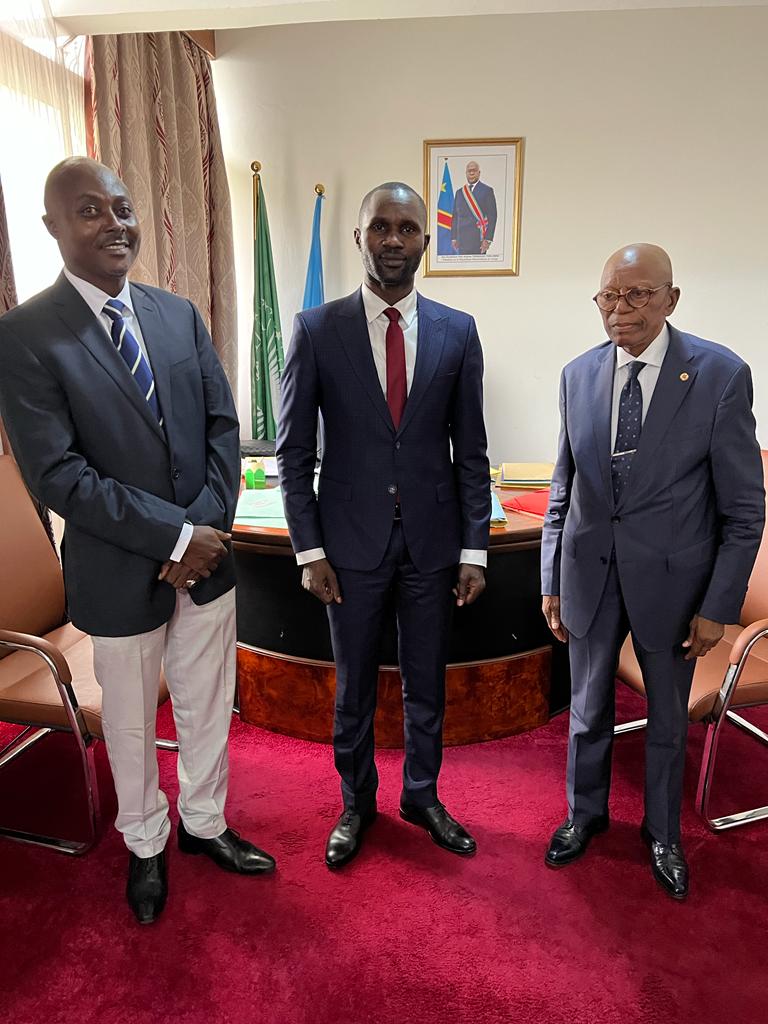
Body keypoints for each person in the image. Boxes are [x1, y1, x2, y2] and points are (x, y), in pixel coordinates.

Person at [0, 158, 275, 925]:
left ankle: (205, 824)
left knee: (207, 700)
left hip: (208, 559)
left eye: (121, 207)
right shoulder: (24, 336)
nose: (114, 223)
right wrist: (176, 535)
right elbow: (59, 475)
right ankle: (145, 842)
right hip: (118, 569)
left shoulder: (177, 314)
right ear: (53, 226)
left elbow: (223, 429)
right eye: (90, 210)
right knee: (128, 720)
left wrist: (206, 530)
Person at [540, 243, 764, 899]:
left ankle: (662, 833)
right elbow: (563, 489)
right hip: (588, 574)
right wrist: (551, 577)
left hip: (674, 585)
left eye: (638, 294)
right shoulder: (577, 375)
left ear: (671, 298)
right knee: (586, 709)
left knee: (667, 719)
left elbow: (744, 510)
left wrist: (718, 605)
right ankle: (584, 815)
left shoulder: (720, 376)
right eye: (609, 295)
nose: (621, 309)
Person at [277, 182, 490, 869]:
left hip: (432, 542)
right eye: (380, 226)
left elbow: (472, 450)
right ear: (359, 236)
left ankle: (422, 796)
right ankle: (356, 802)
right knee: (354, 687)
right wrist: (308, 549)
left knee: (428, 681)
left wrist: (475, 549)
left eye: (406, 227)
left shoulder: (459, 331)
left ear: (425, 241)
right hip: (348, 545)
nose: (393, 239)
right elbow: (293, 453)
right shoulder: (316, 329)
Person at [450, 161, 497, 256]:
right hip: (462, 241)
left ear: (479, 173)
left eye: (474, 170)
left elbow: (492, 216)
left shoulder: (487, 190)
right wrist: (454, 237)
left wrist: (487, 239)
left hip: (478, 240)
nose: (471, 173)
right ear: (466, 173)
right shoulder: (460, 192)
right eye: (469, 171)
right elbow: (455, 216)